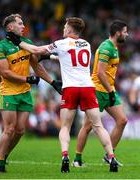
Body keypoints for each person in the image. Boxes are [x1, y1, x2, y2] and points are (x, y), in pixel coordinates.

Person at [6, 17, 119, 173]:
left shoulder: (61, 43)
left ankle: (65, 156)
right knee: (98, 126)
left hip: (70, 88)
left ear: (70, 29)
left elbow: (36, 50)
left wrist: (17, 41)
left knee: (65, 126)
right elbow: (69, 57)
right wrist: (51, 56)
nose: (64, 29)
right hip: (87, 88)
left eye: (65, 27)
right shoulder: (86, 44)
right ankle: (111, 157)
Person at [0, 13, 62, 173]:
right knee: (9, 129)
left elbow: (37, 66)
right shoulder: (0, 47)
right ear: (10, 27)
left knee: (20, 131)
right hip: (9, 92)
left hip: (25, 93)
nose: (23, 26)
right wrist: (27, 79)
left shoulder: (27, 43)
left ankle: (2, 154)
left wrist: (52, 82)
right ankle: (0, 164)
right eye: (20, 23)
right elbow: (5, 73)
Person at [71, 20, 128, 167]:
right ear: (118, 33)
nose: (127, 35)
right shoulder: (106, 48)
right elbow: (100, 73)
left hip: (108, 90)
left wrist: (111, 90)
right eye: (125, 31)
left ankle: (109, 156)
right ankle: (77, 158)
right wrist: (110, 91)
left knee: (122, 120)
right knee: (88, 126)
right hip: (97, 90)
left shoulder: (114, 47)